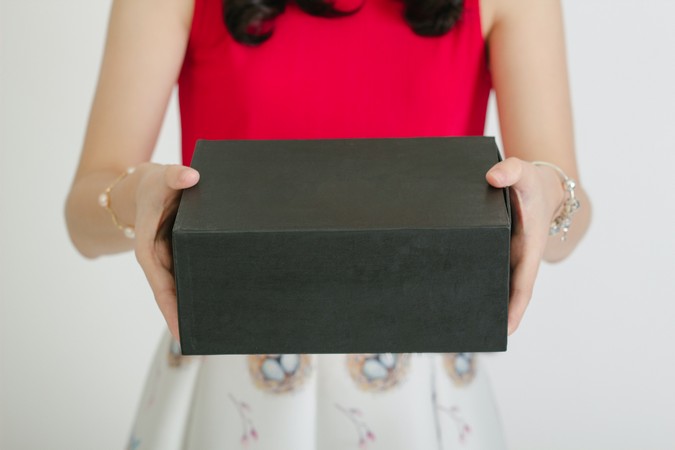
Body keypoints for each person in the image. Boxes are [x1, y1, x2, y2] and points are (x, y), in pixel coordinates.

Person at [65, 0, 592, 448]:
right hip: (228, 365)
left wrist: (548, 194)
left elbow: (569, 201)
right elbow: (84, 212)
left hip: (421, 381)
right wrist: (137, 198)